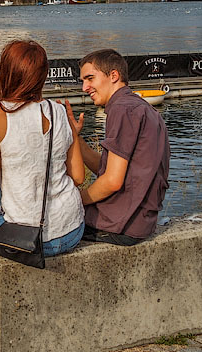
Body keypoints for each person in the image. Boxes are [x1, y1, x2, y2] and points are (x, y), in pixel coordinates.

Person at [0, 40, 86, 255]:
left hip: (30, 239)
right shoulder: (60, 111)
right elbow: (79, 177)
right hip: (72, 229)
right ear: (43, 75)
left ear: (5, 72)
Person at [66, 48, 170, 245]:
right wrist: (76, 139)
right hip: (138, 222)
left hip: (119, 224)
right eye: (83, 81)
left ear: (114, 76)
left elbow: (112, 181)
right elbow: (107, 169)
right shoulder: (142, 108)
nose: (84, 88)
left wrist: (74, 200)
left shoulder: (122, 109)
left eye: (90, 78)